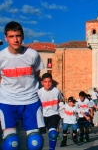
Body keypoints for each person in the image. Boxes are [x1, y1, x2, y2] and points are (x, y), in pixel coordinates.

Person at [0, 21, 45, 150]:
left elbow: (37, 73)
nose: (15, 40)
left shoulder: (32, 55)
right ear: (6, 38)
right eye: (11, 36)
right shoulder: (1, 57)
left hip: (30, 101)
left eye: (18, 36)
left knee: (35, 142)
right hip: (7, 102)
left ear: (23, 36)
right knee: (11, 143)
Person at [37, 73, 63, 150]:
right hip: (42, 116)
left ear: (52, 82)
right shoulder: (39, 93)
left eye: (49, 82)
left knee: (53, 134)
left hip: (53, 115)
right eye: (45, 82)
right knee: (37, 138)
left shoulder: (56, 91)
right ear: (42, 82)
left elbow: (60, 99)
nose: (47, 84)